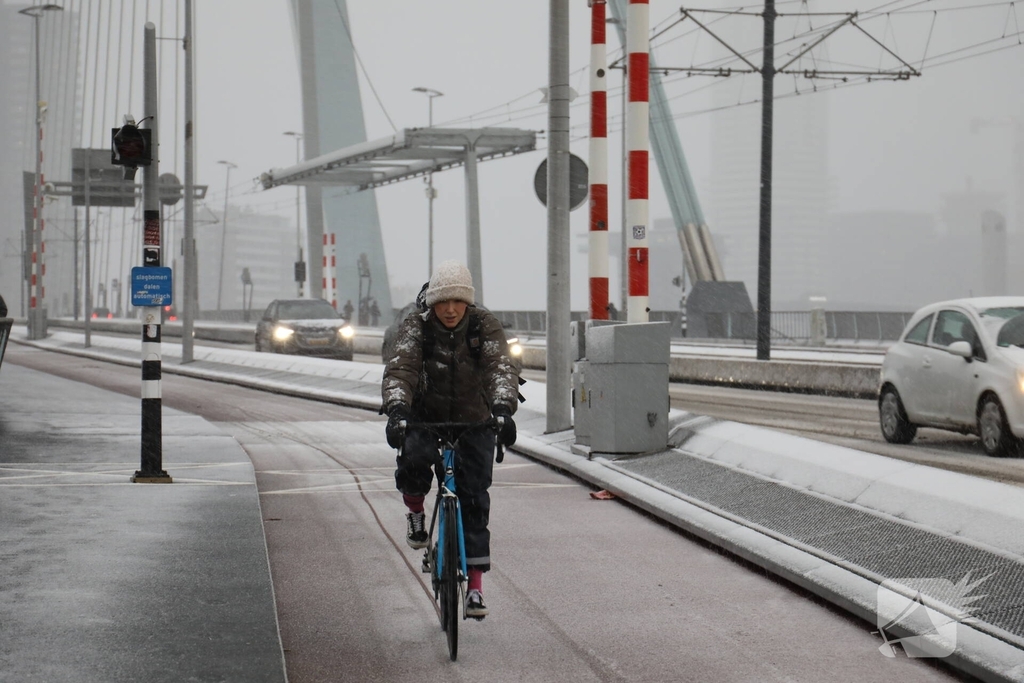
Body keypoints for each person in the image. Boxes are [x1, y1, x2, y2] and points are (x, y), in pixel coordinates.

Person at [382, 260, 519, 619]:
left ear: (468, 302)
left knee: (474, 497)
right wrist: (398, 410)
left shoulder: (483, 325)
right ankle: (415, 512)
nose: (451, 309)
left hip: (474, 420)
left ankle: (474, 587)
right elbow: (402, 368)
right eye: (444, 302)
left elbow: (500, 367)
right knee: (413, 460)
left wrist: (503, 408)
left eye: (458, 302)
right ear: (433, 302)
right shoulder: (418, 326)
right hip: (427, 417)